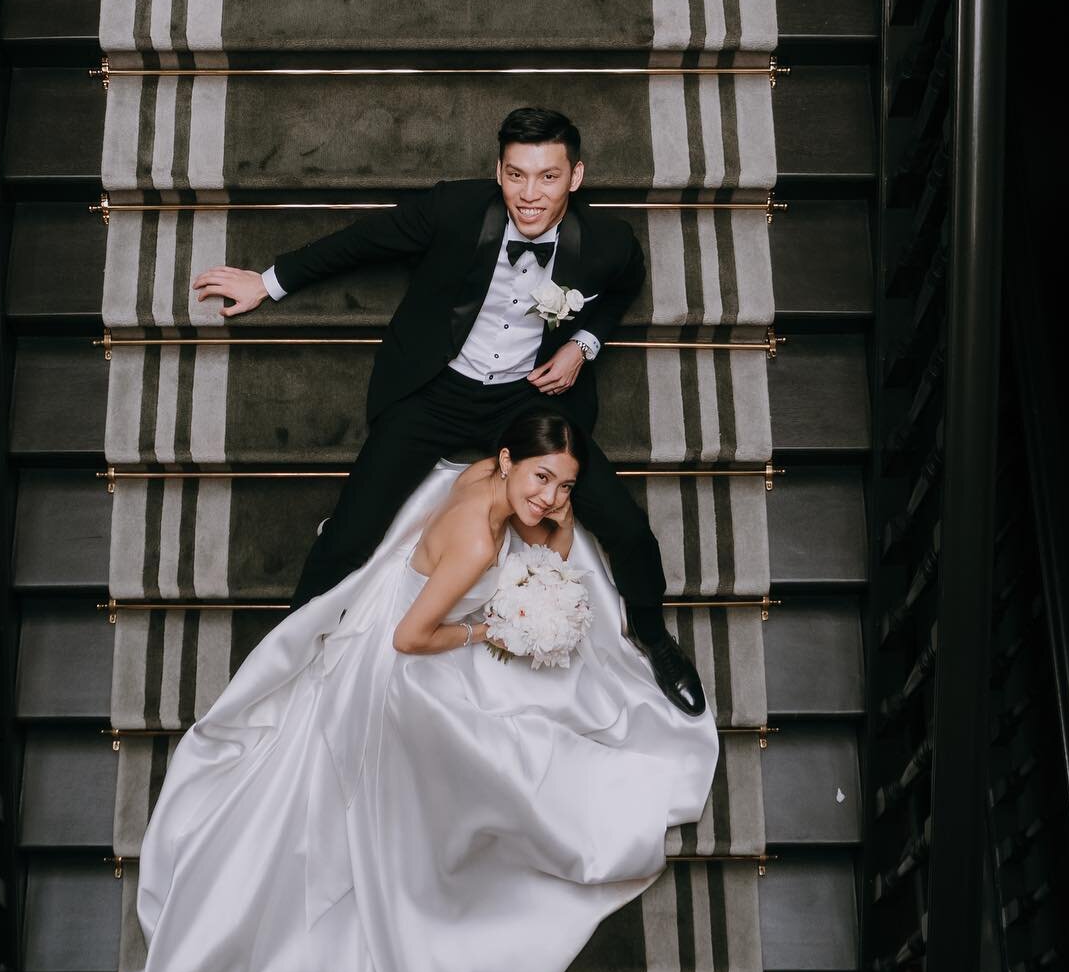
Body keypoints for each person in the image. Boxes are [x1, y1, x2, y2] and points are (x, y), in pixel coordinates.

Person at [113, 410, 719, 972]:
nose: (549, 499)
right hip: (401, 663)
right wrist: (488, 632)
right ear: (506, 459)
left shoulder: (476, 479)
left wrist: (551, 528)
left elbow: (554, 537)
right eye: (541, 477)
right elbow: (410, 639)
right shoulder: (476, 549)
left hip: (399, 615)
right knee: (493, 753)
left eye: (566, 486)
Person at [191, 105, 707, 716]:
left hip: (526, 397)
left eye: (547, 176)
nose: (530, 194)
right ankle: (282, 663)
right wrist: (268, 282)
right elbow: (360, 243)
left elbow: (625, 284)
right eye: (516, 175)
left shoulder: (607, 243)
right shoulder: (454, 211)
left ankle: (653, 636)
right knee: (349, 535)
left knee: (623, 524)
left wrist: (582, 344)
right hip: (436, 386)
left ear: (576, 177)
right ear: (498, 171)